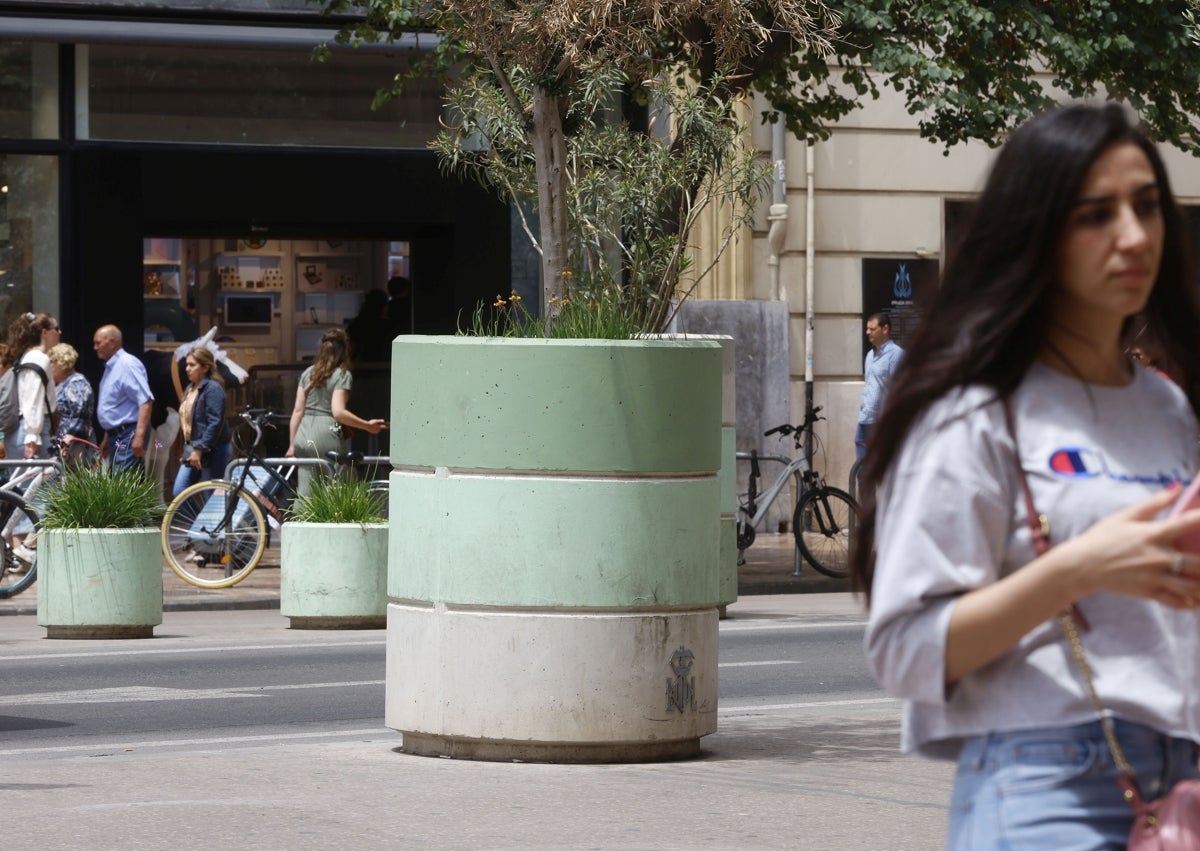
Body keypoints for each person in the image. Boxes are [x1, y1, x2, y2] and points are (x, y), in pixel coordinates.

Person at [850, 103, 1200, 846]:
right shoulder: (978, 413)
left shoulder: (1169, 408)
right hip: (1047, 783)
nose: (1133, 236)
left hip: (1181, 781)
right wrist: (1074, 570)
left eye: (1146, 206)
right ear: (1038, 234)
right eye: (1096, 215)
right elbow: (903, 648)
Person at [287, 327, 386, 497]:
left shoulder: (306, 374)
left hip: (302, 435)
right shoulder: (342, 375)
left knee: (307, 492)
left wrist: (291, 445)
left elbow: (297, 411)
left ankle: (300, 520)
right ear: (346, 350)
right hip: (327, 433)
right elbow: (338, 412)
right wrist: (367, 426)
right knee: (342, 490)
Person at [93, 324, 154, 474]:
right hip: (118, 434)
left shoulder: (127, 364)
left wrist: (138, 437)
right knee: (123, 488)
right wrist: (108, 438)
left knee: (122, 487)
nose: (95, 347)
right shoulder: (111, 367)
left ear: (112, 343)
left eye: (98, 343)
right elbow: (117, 406)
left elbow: (146, 401)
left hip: (128, 434)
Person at [171, 347, 232, 497]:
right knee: (180, 492)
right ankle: (198, 520)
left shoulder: (212, 388)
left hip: (213, 449)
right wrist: (186, 450)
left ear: (205, 367)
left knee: (211, 495)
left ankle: (213, 521)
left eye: (192, 365)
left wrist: (199, 449)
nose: (187, 369)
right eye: (187, 364)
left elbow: (215, 422)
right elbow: (187, 423)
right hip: (193, 448)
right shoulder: (191, 388)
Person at [8, 312, 60, 462]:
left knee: (27, 485)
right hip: (33, 433)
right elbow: (33, 399)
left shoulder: (27, 356)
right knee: (46, 484)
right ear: (45, 332)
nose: (59, 332)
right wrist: (32, 438)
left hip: (25, 431)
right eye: (56, 328)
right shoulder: (39, 358)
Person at [855, 311, 903, 461]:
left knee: (886, 465)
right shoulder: (870, 355)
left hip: (882, 421)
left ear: (885, 329)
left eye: (872, 328)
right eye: (867, 328)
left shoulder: (896, 354)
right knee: (862, 469)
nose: (867, 332)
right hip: (865, 418)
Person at [47, 342, 97, 460]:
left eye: (51, 363)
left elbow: (78, 414)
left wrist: (68, 438)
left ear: (60, 363)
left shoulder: (76, 383)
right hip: (65, 444)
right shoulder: (64, 383)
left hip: (73, 446)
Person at [346, 288, 392, 364]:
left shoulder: (358, 322)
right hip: (383, 365)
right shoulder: (387, 325)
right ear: (383, 306)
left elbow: (350, 344)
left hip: (360, 364)